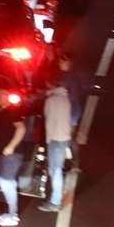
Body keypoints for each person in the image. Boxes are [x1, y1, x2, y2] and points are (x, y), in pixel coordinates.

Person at [40, 72, 74, 212]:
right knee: (56, 169)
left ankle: (55, 202)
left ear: (50, 85)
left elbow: (46, 116)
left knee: (55, 170)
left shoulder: (51, 100)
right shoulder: (66, 98)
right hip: (64, 137)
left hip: (55, 139)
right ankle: (56, 198)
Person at [0, 89, 27, 225]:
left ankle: (13, 216)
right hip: (3, 154)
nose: (2, 97)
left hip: (11, 154)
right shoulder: (1, 113)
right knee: (6, 182)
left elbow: (21, 128)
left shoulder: (12, 111)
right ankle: (10, 212)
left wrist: (10, 146)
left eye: (5, 94)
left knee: (6, 182)